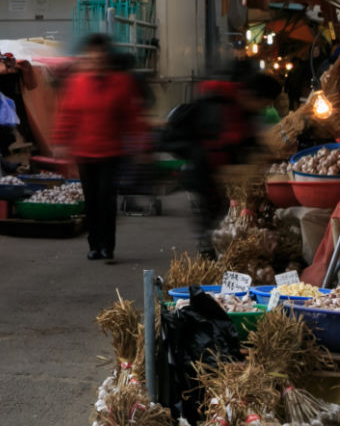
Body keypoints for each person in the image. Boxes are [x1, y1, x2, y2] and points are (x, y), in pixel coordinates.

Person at [160, 66, 281, 256]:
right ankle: (209, 258)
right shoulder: (220, 105)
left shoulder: (243, 109)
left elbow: (249, 141)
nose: (263, 109)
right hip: (203, 173)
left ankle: (214, 254)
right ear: (254, 96)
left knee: (219, 221)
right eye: (264, 103)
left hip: (217, 177)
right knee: (211, 224)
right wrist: (234, 169)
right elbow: (218, 146)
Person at [54, 34, 144, 263]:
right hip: (84, 153)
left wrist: (139, 144)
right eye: (92, 54)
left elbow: (131, 116)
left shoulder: (121, 83)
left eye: (100, 54)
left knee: (106, 200)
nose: (96, 58)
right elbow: (68, 114)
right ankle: (94, 245)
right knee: (91, 201)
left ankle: (107, 246)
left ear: (107, 57)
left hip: (111, 153)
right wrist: (60, 141)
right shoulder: (77, 82)